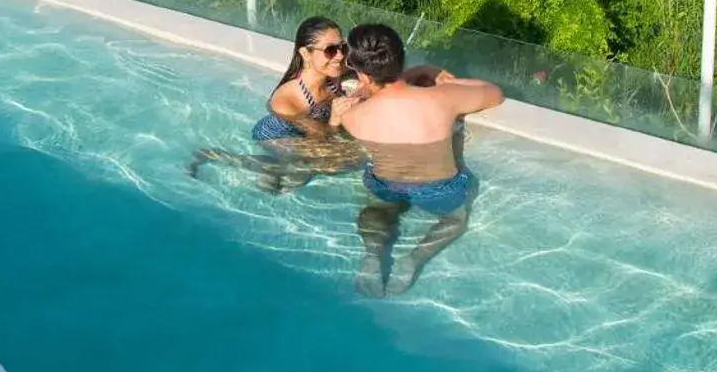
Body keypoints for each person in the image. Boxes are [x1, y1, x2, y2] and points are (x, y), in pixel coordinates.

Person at [335, 23, 502, 296]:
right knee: (455, 221)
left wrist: (373, 83)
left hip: (386, 184)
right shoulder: (442, 98)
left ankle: (373, 256)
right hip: (440, 188)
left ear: (362, 75)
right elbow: (494, 93)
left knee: (376, 210)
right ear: (401, 58)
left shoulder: (353, 117)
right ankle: (413, 260)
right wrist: (431, 73)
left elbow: (372, 93)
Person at [188, 16, 360, 192]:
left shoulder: (334, 72)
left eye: (343, 47)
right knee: (317, 167)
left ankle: (276, 171)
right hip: (276, 135)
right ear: (306, 54)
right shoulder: (287, 98)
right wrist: (334, 121)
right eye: (330, 50)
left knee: (352, 154)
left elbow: (370, 74)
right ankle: (219, 156)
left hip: (311, 131)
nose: (340, 56)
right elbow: (320, 138)